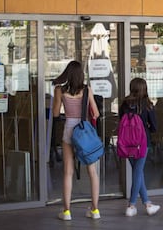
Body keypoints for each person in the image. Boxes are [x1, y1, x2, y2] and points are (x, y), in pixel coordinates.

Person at [52, 60, 101, 220]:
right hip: (84, 130)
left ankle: (66, 211)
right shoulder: (87, 90)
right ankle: (95, 210)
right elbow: (96, 113)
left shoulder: (60, 90)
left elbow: (55, 114)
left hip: (69, 129)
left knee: (68, 172)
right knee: (92, 172)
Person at [119, 78, 161, 217]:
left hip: (127, 144)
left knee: (138, 172)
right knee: (138, 172)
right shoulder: (147, 105)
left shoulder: (125, 103)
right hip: (142, 143)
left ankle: (148, 204)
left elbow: (120, 121)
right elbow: (154, 126)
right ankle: (131, 205)